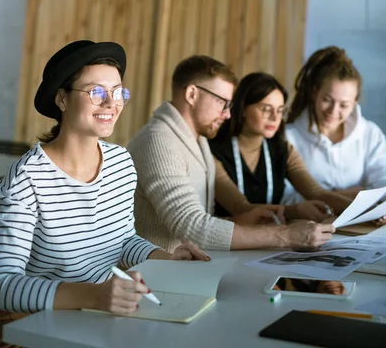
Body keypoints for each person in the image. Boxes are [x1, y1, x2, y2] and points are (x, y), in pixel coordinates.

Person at [0, 41, 208, 348]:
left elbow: (122, 240)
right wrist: (95, 294)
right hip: (32, 324)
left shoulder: (120, 163)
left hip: (95, 314)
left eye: (118, 92)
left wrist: (166, 257)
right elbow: (1, 286)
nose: (111, 104)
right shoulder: (27, 177)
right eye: (96, 92)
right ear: (62, 99)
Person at [128, 55, 334, 254]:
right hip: (152, 280)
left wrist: (238, 223)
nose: (227, 114)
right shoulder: (159, 141)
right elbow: (192, 228)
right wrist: (287, 236)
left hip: (180, 274)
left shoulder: (198, 141)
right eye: (222, 103)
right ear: (192, 94)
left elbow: (197, 223)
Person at [209, 72, 351, 222]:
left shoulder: (282, 149)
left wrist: (366, 210)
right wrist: (296, 211)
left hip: (270, 237)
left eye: (280, 110)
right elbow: (241, 208)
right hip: (227, 239)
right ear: (243, 108)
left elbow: (317, 193)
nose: (275, 118)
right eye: (266, 109)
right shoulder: (213, 152)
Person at [283, 46, 386, 213]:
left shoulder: (370, 134)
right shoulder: (289, 136)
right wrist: (347, 196)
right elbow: (285, 197)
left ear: (355, 102)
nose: (333, 111)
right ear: (315, 93)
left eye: (344, 105)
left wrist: (324, 195)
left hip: (363, 226)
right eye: (327, 100)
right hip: (308, 226)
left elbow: (383, 184)